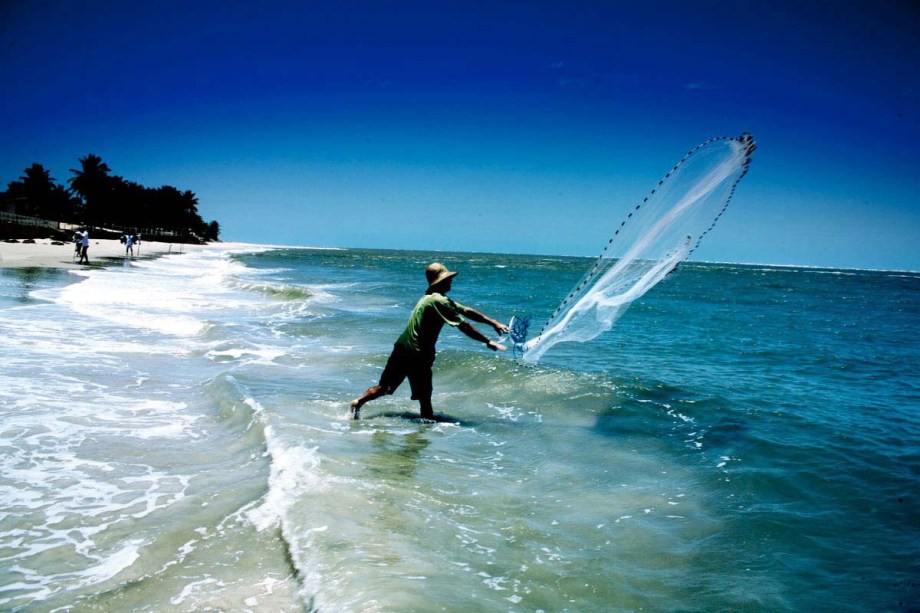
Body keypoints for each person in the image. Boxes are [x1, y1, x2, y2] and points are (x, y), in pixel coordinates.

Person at [350, 262, 509, 420]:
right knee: (425, 395)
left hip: (402, 347)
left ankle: (359, 402)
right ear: (441, 281)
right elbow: (464, 325)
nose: (450, 281)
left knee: (384, 387)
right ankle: (426, 428)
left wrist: (493, 322)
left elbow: (467, 311)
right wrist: (488, 341)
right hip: (419, 352)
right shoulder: (439, 301)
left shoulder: (429, 298)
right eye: (448, 279)